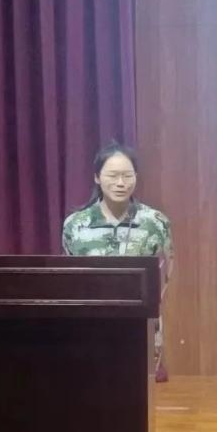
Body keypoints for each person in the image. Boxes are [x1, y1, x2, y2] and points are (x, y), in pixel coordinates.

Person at [62, 140, 174, 381]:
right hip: (88, 332)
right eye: (113, 176)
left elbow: (166, 277)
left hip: (140, 332)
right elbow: (69, 280)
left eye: (127, 175)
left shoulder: (155, 222)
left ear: (136, 177)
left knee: (137, 398)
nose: (121, 183)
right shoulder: (76, 225)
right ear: (97, 177)